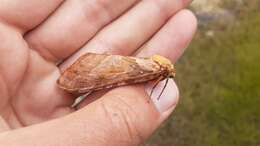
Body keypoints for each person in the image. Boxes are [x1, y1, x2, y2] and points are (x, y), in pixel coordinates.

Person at [0, 0, 197, 145]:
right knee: (117, 74)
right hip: (125, 68)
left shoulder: (157, 70)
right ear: (164, 72)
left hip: (126, 64)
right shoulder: (154, 71)